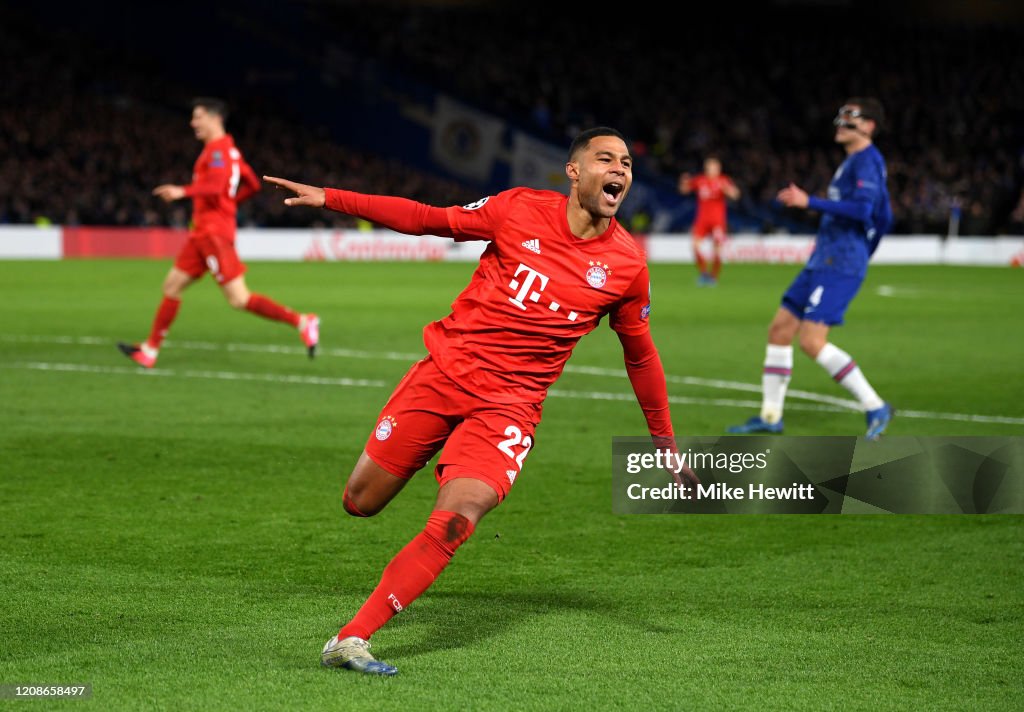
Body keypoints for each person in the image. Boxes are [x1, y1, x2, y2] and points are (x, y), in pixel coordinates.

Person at [264, 127, 698, 676]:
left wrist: (663, 441)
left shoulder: (626, 266)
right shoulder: (516, 210)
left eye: (628, 163)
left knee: (458, 515)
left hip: (509, 409)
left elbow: (641, 357)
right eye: (606, 159)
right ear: (574, 171)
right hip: (443, 374)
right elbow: (430, 219)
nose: (620, 170)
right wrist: (332, 198)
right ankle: (432, 451)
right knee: (361, 501)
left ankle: (351, 638)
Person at [727, 98, 894, 439]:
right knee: (780, 330)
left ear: (870, 126)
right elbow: (885, 214)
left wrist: (811, 203)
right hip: (825, 258)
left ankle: (875, 405)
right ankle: (771, 416)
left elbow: (865, 212)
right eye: (840, 116)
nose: (841, 122)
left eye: (851, 117)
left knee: (812, 340)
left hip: (841, 260)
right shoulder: (852, 162)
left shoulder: (867, 161)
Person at [118, 98, 319, 368]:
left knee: (239, 299)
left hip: (213, 234)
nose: (193, 123)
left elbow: (215, 186)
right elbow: (251, 183)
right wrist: (230, 204)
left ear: (215, 118)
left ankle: (303, 321)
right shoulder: (231, 151)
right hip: (202, 232)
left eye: (198, 117)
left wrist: (183, 191)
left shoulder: (217, 152)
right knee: (172, 286)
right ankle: (150, 350)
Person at [678, 156, 739, 286]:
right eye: (710, 167)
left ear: (719, 169)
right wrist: (683, 182)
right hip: (702, 220)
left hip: (718, 221)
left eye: (715, 167)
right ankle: (704, 273)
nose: (713, 170)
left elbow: (736, 195)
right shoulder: (700, 180)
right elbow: (684, 190)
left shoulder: (723, 180)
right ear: (706, 168)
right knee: (695, 246)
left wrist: (728, 189)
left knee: (717, 250)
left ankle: (713, 277)